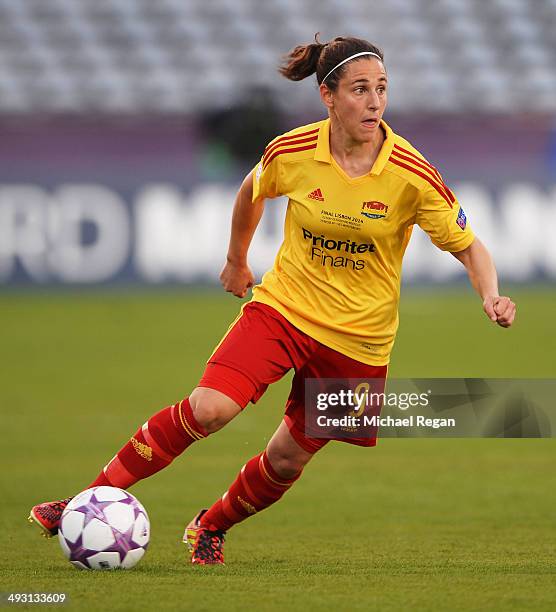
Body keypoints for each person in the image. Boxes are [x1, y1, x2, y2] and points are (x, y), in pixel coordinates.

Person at [28, 35, 516, 565]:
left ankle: (211, 526)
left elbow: (470, 247)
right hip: (282, 310)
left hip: (360, 341)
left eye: (381, 89)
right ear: (328, 97)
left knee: (286, 460)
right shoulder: (292, 150)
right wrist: (237, 260)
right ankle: (78, 505)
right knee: (209, 408)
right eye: (360, 90)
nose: (375, 102)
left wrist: (492, 295)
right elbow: (250, 191)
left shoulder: (411, 175)